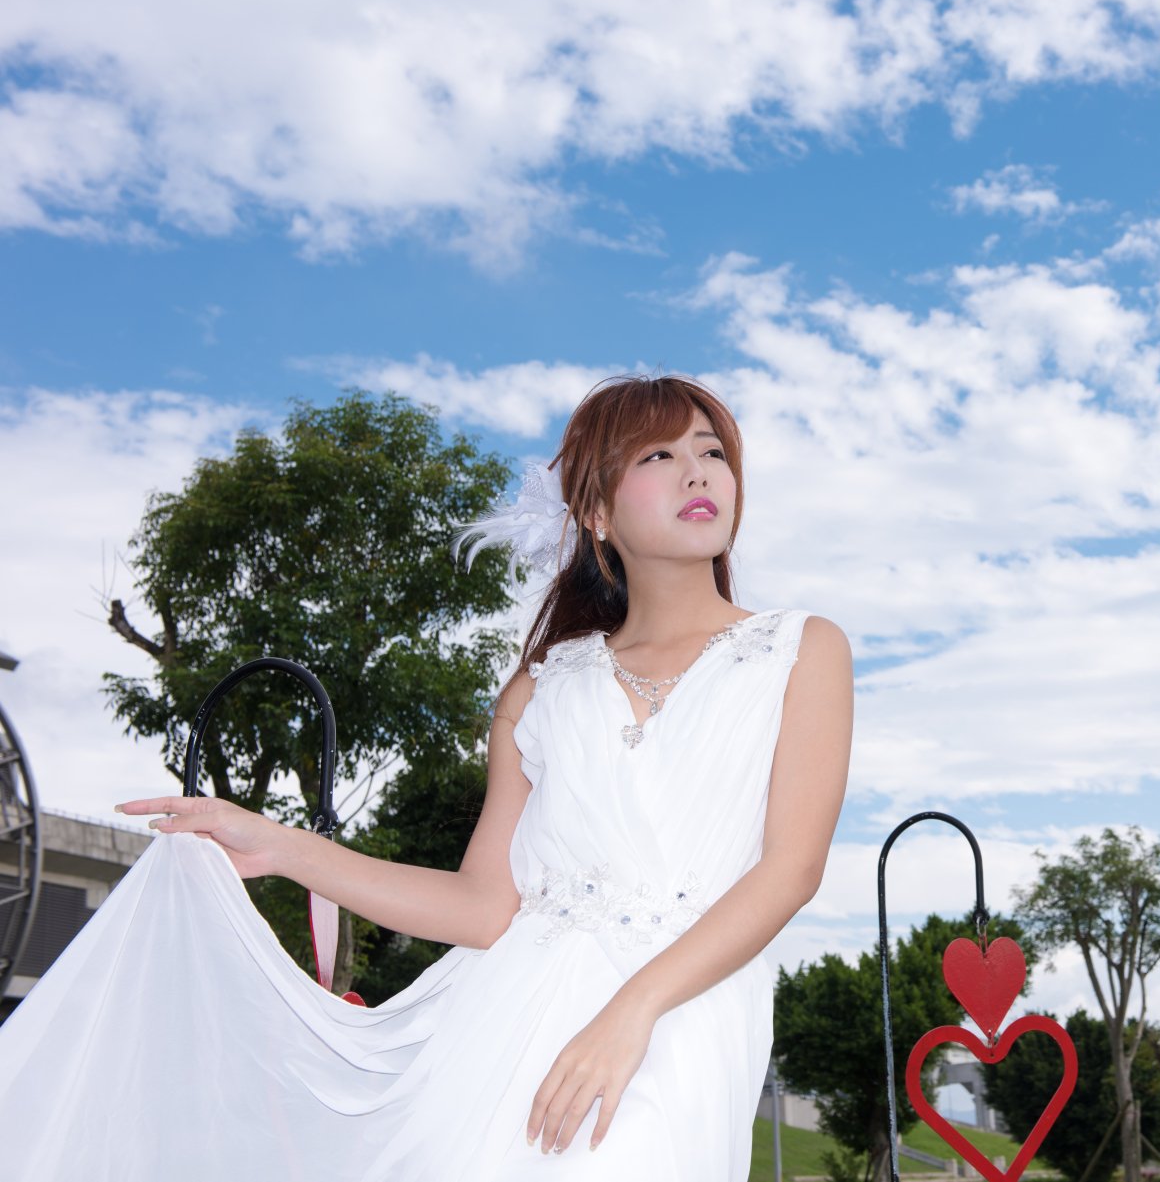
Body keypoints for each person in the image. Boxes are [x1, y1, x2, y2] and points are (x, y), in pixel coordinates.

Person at [0, 374, 855, 1179]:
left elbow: (791, 870)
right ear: (595, 511)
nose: (696, 471)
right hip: (503, 1027)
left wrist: (631, 1011)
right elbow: (483, 907)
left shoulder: (801, 650)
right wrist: (282, 845)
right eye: (658, 455)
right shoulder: (542, 686)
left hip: (677, 1018)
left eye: (711, 450)